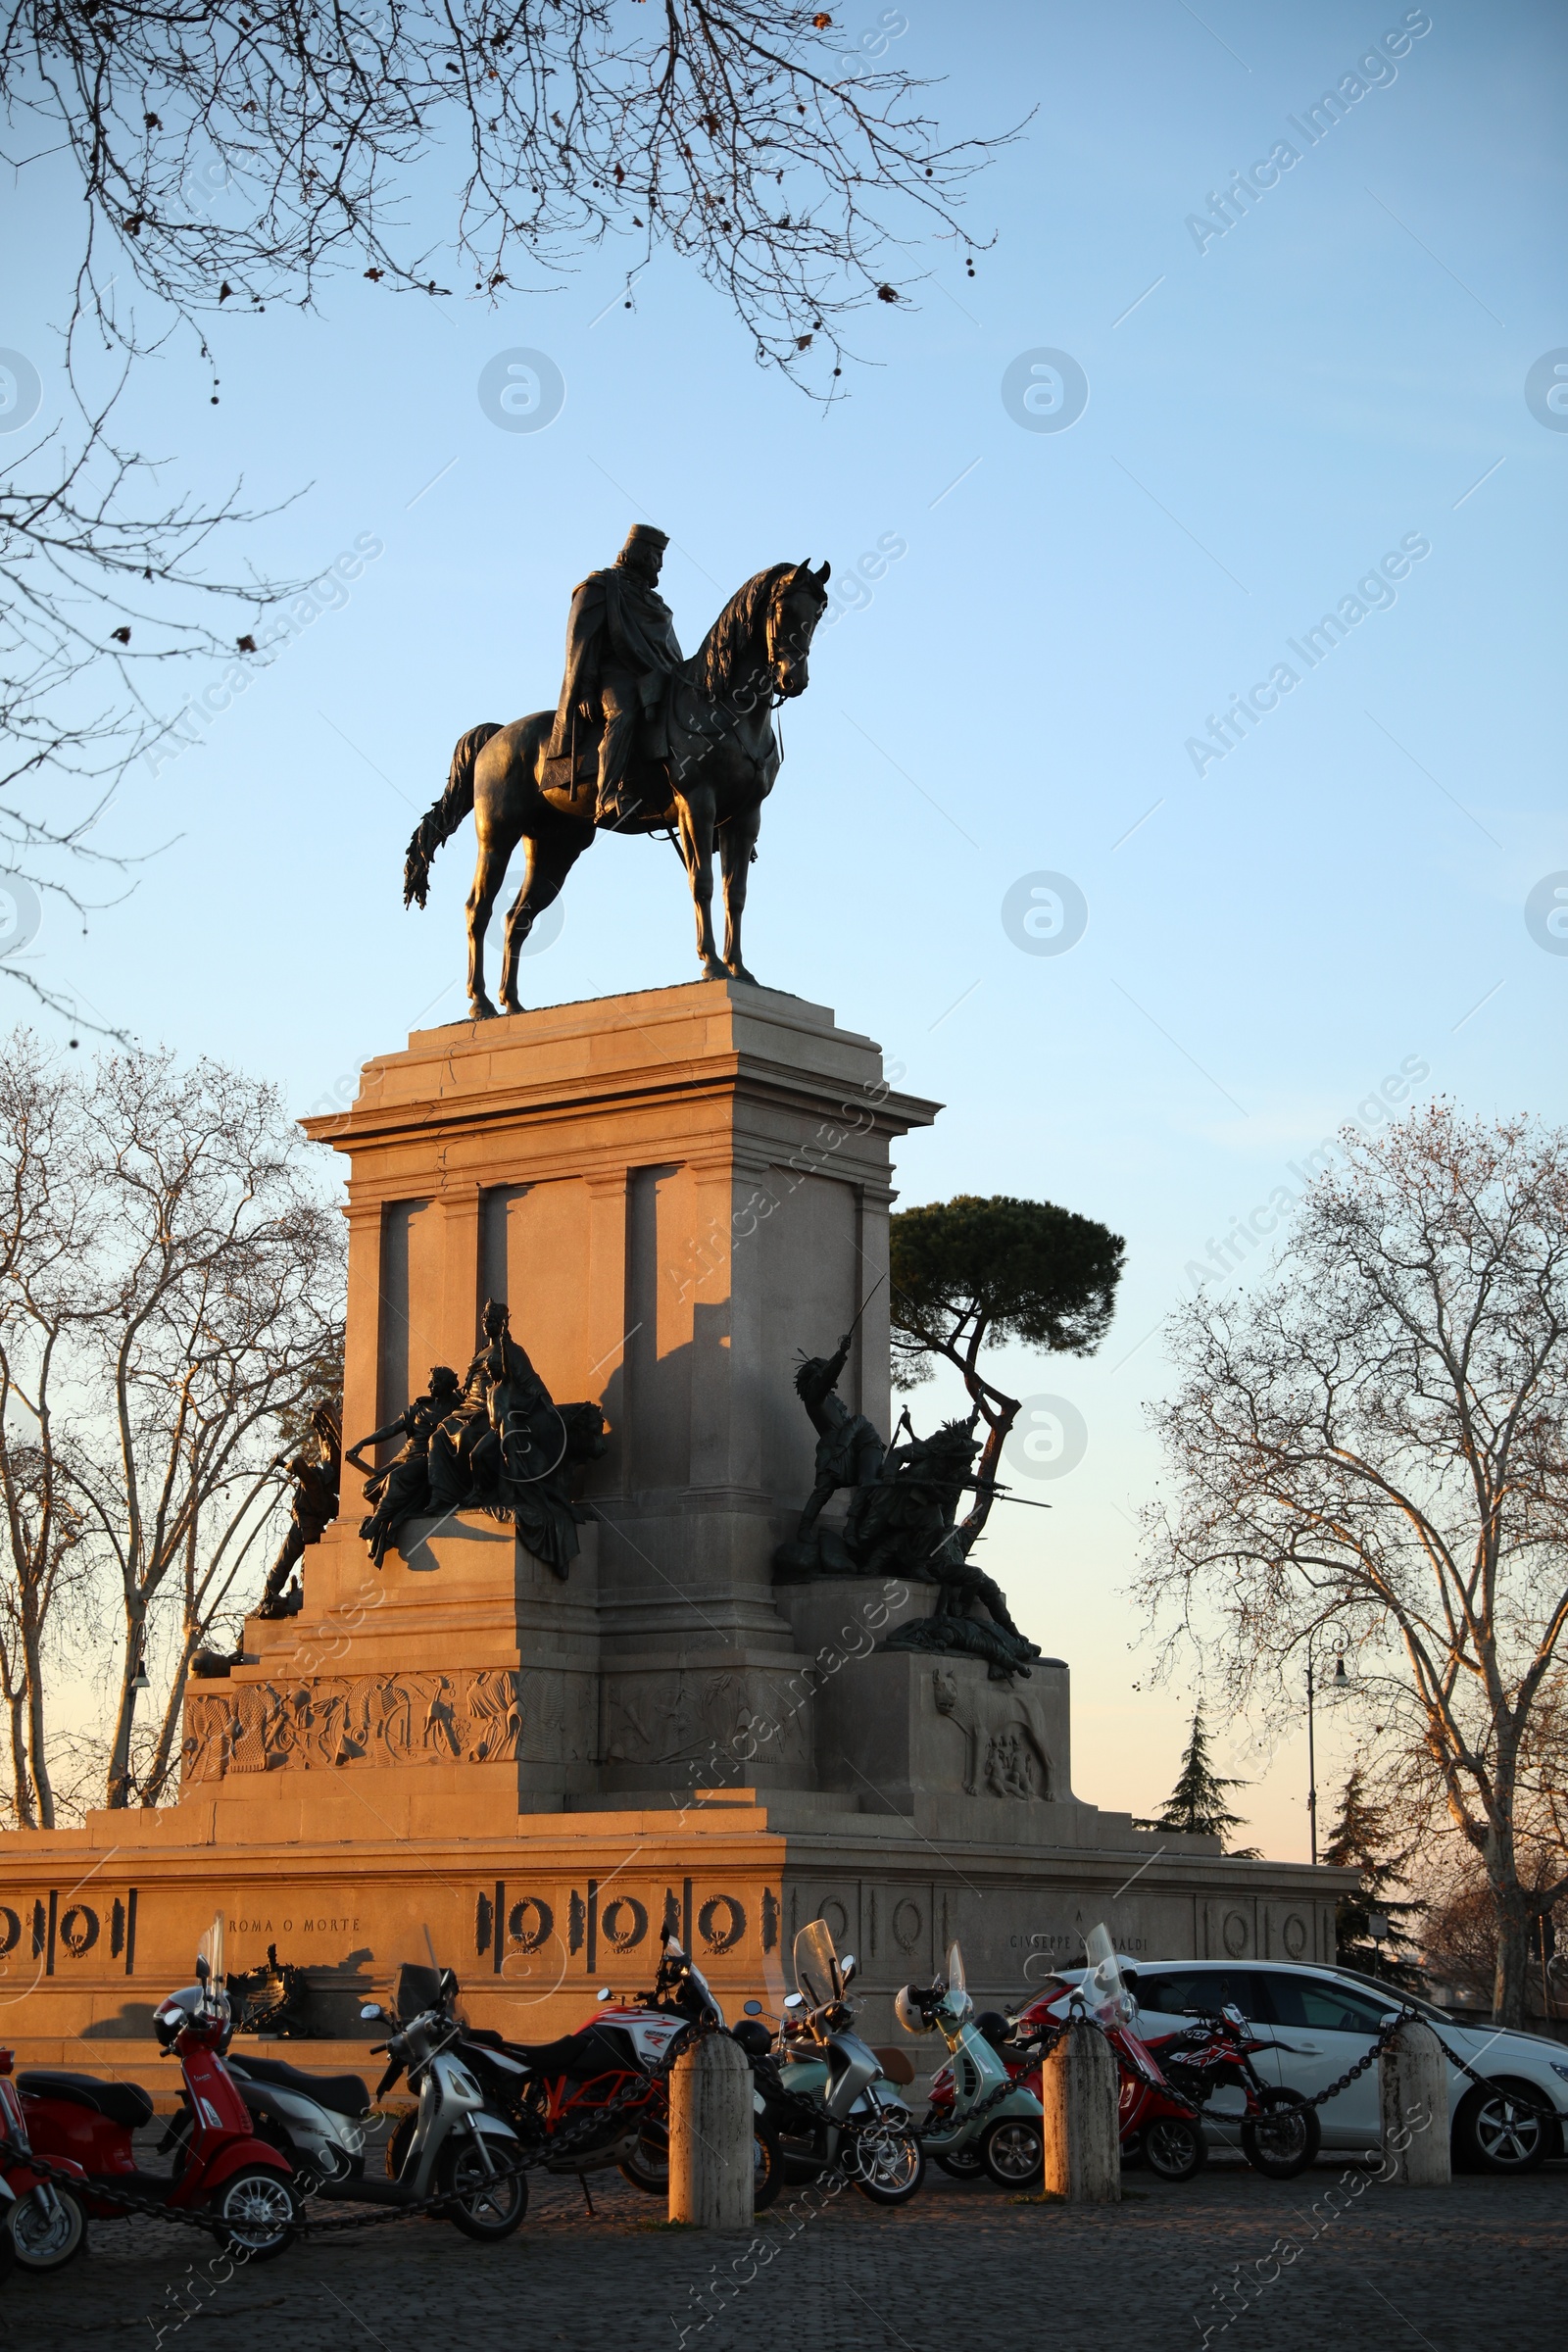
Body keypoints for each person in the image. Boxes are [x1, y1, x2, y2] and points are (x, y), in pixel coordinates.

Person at [548, 523, 683, 826]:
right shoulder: (600, 586)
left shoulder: (653, 602)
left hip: (654, 677)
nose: (659, 567)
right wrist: (584, 689)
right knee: (623, 713)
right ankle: (607, 796)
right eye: (655, 558)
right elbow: (579, 644)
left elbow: (668, 653)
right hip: (612, 675)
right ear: (637, 554)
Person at [348, 1367, 462, 1568]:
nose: (429, 1386)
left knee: (396, 1479)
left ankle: (376, 1523)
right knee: (369, 1489)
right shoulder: (419, 1408)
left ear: (446, 1384)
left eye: (434, 1382)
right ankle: (389, 1514)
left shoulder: (458, 1408)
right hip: (405, 1456)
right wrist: (363, 1443)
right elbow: (391, 1429)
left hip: (430, 1459)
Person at [791, 1335, 885, 1541]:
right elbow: (825, 1378)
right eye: (825, 1371)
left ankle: (861, 1528)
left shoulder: (830, 1398)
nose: (833, 1378)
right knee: (823, 1490)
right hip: (832, 1447)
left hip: (848, 1446)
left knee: (867, 1485)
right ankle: (804, 1529)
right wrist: (841, 1354)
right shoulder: (815, 1396)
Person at [256, 1402, 341, 1618]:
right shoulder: (323, 1493)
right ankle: (300, 1597)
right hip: (311, 1527)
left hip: (303, 1528)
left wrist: (286, 1465)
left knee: (282, 1564)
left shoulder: (313, 1483)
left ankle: (268, 1598)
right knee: (305, 1568)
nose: (316, 1466)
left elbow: (299, 1463)